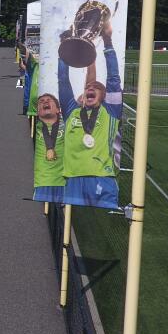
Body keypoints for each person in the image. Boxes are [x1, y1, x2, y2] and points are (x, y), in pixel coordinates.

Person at [58, 22, 122, 209]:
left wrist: (107, 41)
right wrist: (65, 47)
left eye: (95, 88)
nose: (90, 88)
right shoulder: (71, 110)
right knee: (67, 229)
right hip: (72, 178)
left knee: (108, 226)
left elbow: (113, 78)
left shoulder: (111, 111)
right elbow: (63, 80)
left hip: (102, 177)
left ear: (104, 97)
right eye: (87, 87)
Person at [32, 92, 64, 203]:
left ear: (58, 110)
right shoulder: (36, 127)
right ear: (37, 112)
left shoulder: (69, 125)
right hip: (43, 179)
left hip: (63, 179)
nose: (45, 102)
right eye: (41, 101)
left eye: (49, 100)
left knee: (64, 208)